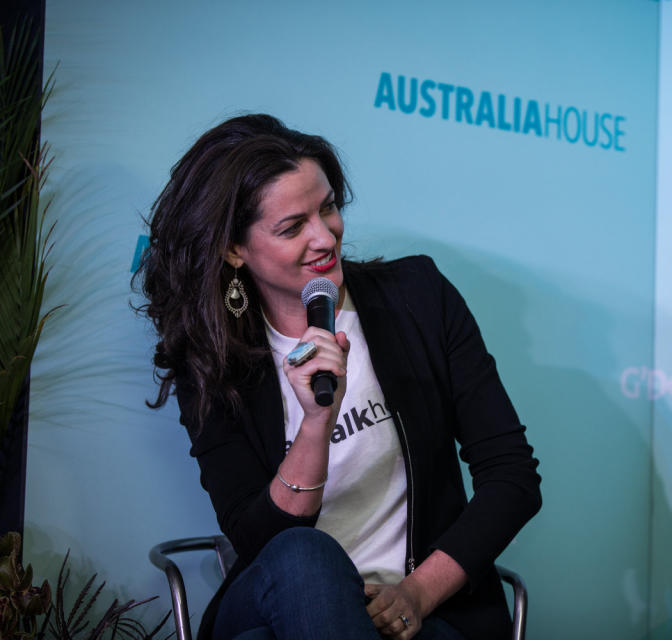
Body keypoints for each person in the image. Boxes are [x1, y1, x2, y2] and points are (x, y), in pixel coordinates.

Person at [139, 114, 541, 640]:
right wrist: (315, 423)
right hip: (282, 596)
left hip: (418, 608)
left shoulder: (418, 298)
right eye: (291, 227)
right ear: (233, 249)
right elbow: (257, 537)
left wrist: (416, 594)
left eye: (327, 208)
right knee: (305, 556)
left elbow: (512, 477)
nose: (325, 237)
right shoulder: (213, 360)